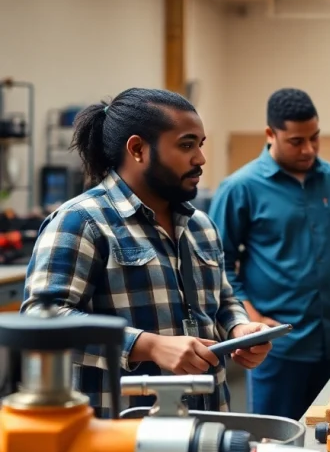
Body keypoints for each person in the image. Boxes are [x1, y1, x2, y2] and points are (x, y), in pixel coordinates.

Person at [20, 88, 271, 418]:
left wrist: (240, 329)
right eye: (186, 144)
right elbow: (41, 319)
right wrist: (149, 346)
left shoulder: (201, 226)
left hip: (207, 423)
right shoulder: (81, 221)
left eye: (200, 144)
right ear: (138, 149)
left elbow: (223, 301)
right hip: (120, 435)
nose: (200, 159)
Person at [208, 88, 330, 421]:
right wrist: (248, 313)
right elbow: (216, 263)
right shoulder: (240, 188)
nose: (309, 149)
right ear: (270, 134)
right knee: (276, 444)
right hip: (279, 346)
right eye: (297, 141)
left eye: (315, 138)